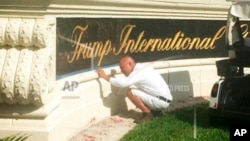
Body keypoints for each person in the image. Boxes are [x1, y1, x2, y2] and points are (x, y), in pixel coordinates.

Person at [96, 55, 172, 123]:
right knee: (137, 89)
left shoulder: (138, 72)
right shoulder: (143, 67)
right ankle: (156, 112)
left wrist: (104, 76)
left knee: (130, 92)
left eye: (123, 67)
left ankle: (147, 114)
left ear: (130, 63)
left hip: (160, 101)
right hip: (165, 100)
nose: (122, 71)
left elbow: (123, 83)